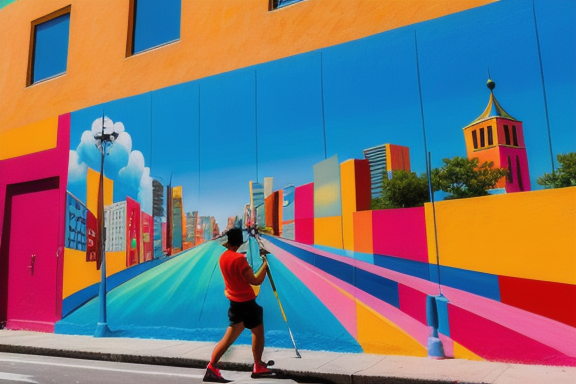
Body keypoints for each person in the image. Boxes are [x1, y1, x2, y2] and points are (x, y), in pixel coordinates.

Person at [203, 227, 272, 383]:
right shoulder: (239, 259)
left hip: (235, 304)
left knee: (228, 339)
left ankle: (212, 367)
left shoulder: (223, 258)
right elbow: (255, 280)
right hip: (247, 303)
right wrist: (266, 265)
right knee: (258, 332)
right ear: (240, 242)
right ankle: (258, 366)